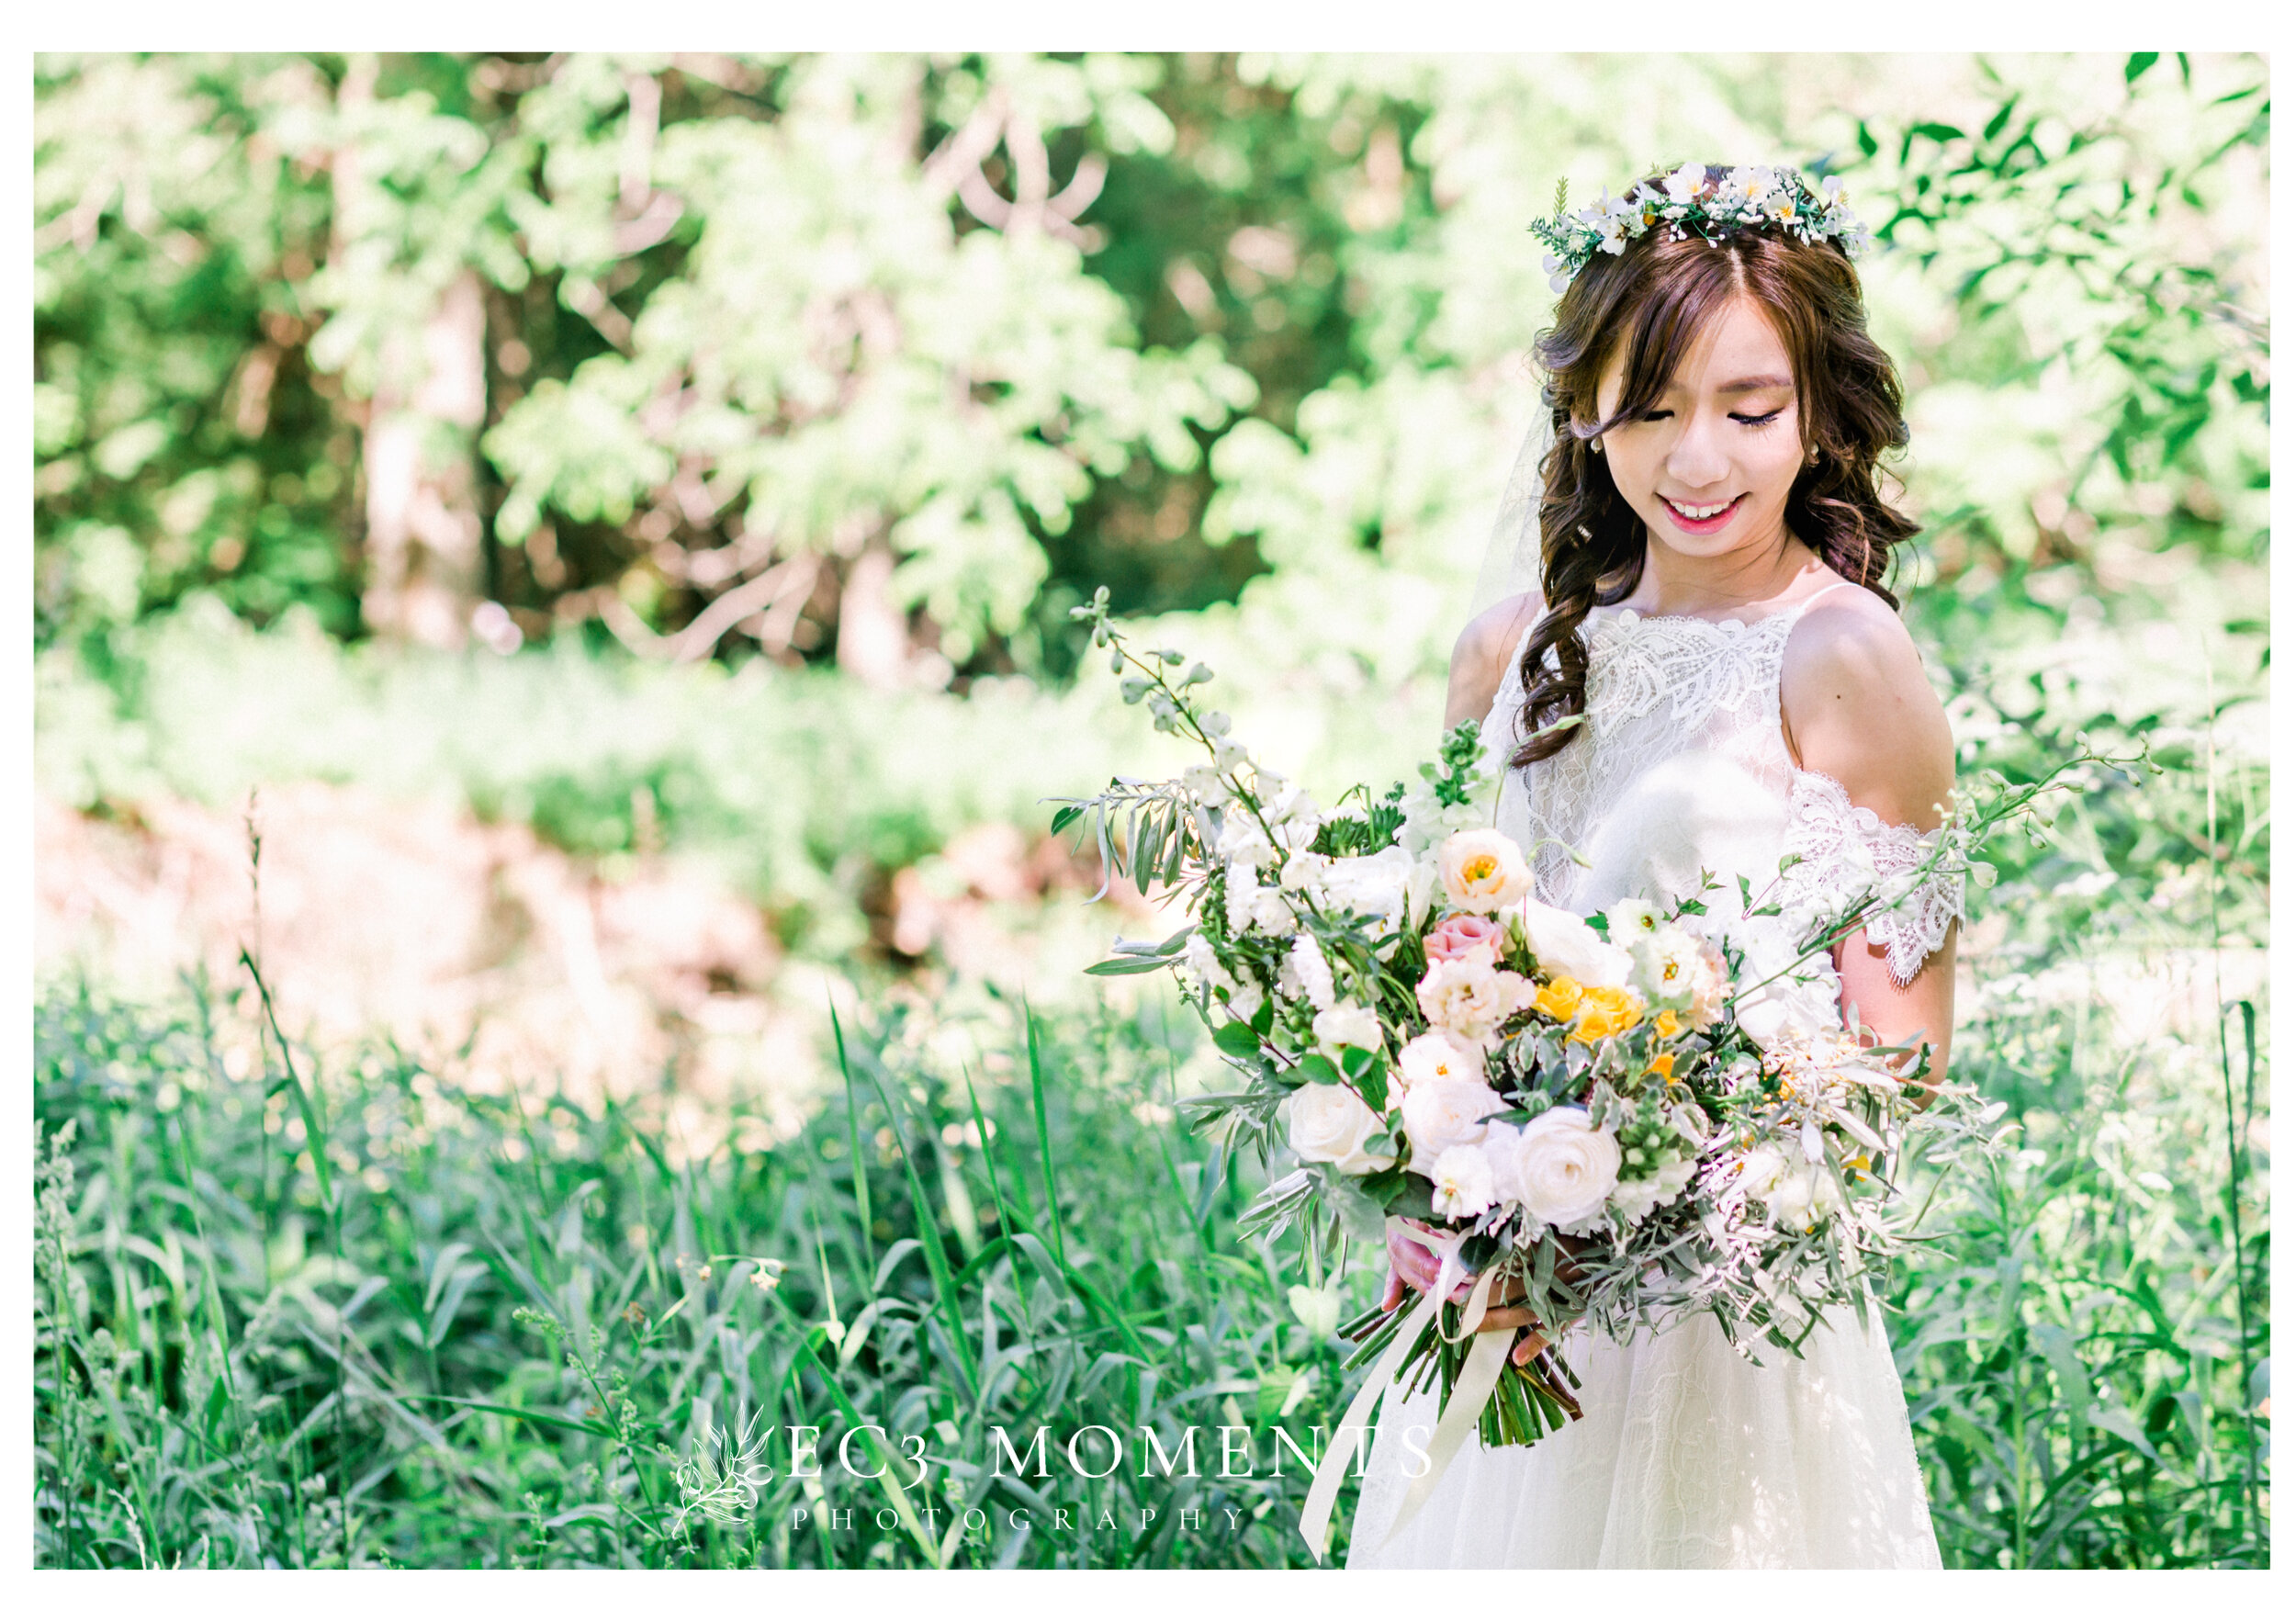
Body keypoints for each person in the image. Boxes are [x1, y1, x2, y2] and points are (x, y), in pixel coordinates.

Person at [1345, 163, 1961, 1570]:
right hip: (1493, 1303)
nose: (1698, 459)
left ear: (1817, 411)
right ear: (1582, 410)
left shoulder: (1841, 654)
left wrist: (1651, 1198)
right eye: (1650, 409)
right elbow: (1442, 982)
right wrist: (1422, 1191)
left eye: (1749, 410)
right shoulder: (1509, 650)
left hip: (1720, 1330)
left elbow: (1907, 1055)